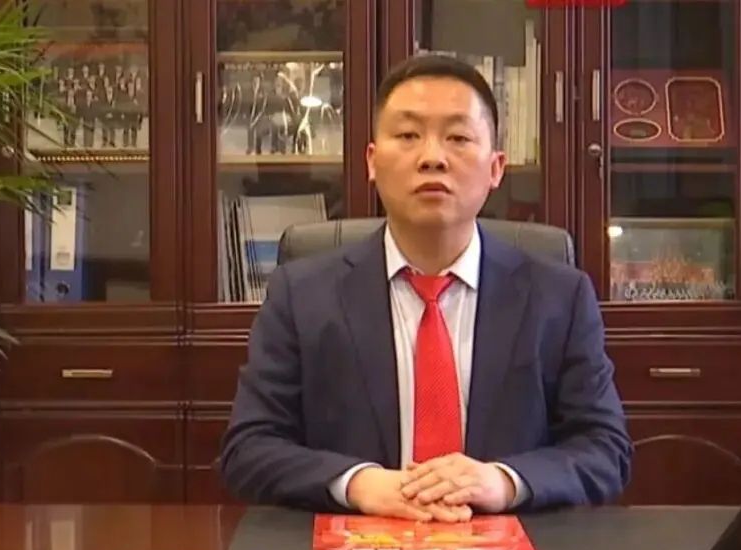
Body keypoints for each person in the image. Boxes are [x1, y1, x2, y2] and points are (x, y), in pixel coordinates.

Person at [220, 53, 632, 521]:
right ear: (372, 162)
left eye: (458, 138)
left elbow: (605, 449)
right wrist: (358, 483)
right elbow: (249, 448)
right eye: (408, 136)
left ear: (496, 168)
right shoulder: (301, 295)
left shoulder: (559, 297)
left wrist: (503, 481)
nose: (432, 157)